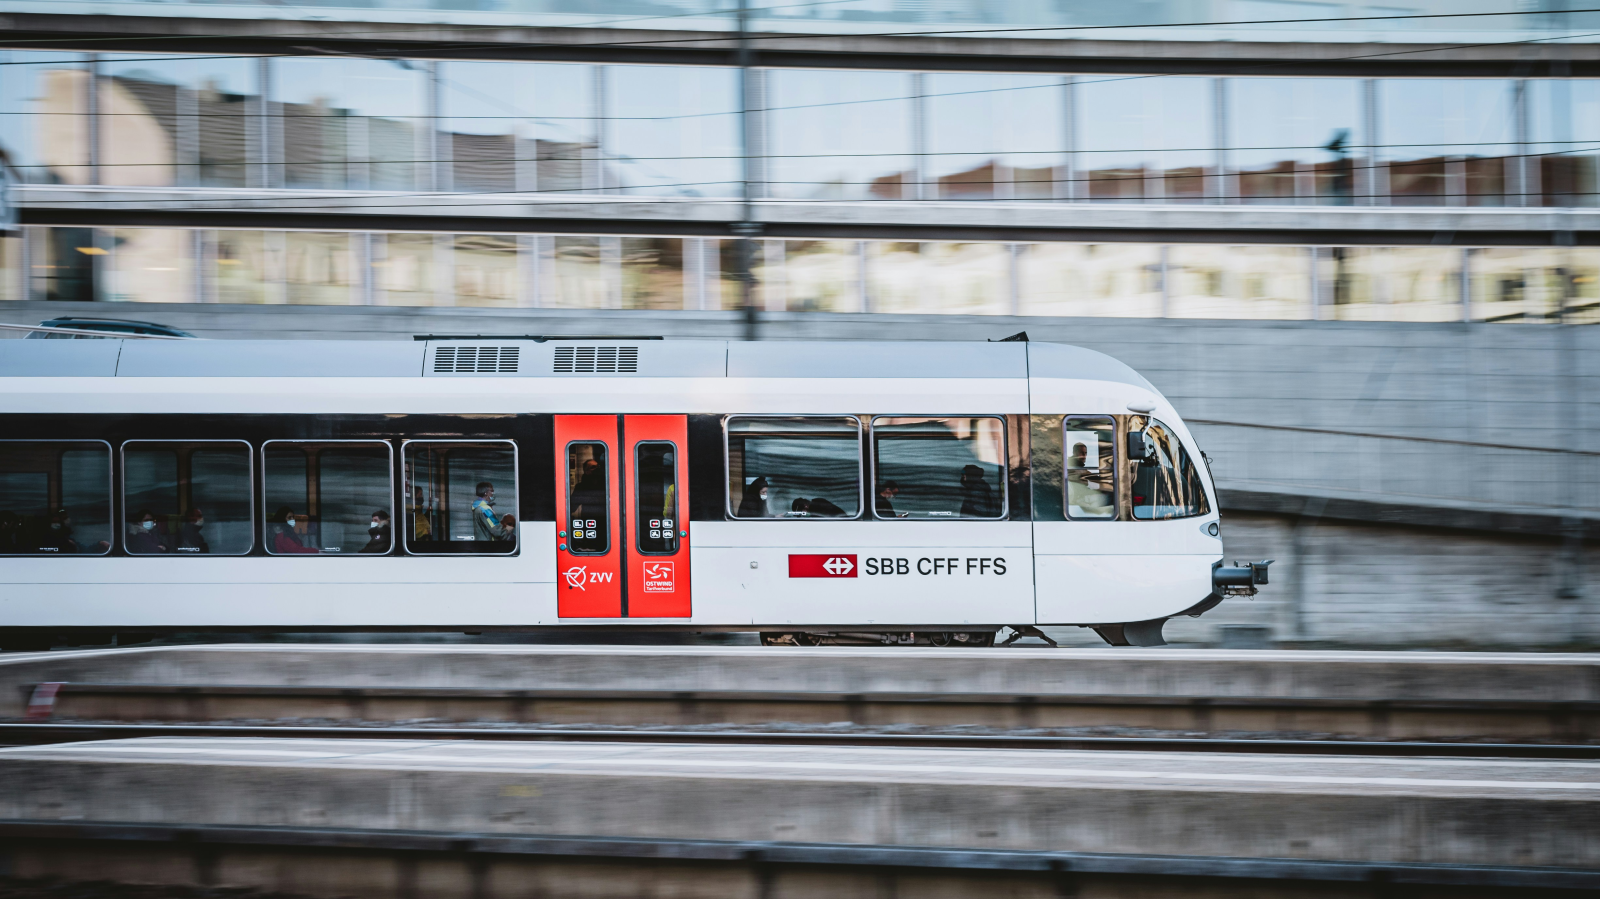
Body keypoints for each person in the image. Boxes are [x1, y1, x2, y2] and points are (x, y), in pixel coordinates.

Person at [1067, 442, 1114, 518]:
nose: (1084, 456)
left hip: (1083, 494)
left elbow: (1088, 476)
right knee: (1113, 496)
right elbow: (1081, 480)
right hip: (1080, 497)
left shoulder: (1079, 465)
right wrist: (1099, 485)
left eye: (1085, 453)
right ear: (1074, 452)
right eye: (1081, 453)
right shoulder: (1071, 465)